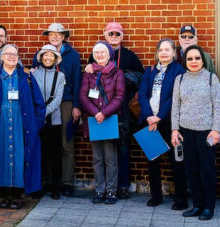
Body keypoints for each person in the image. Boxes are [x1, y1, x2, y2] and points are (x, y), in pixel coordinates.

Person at [0, 44, 46, 209]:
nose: (11, 57)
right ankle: (3, 195)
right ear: (1, 57)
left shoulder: (26, 77)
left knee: (19, 157)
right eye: (8, 54)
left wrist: (35, 125)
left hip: (21, 126)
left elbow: (39, 104)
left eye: (15, 54)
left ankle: (16, 196)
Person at [87, 22, 144, 199]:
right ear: (105, 36)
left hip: (123, 110)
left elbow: (141, 79)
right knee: (104, 151)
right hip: (101, 111)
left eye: (117, 34)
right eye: (110, 34)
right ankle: (105, 188)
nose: (114, 37)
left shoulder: (129, 56)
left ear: (122, 37)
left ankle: (123, 185)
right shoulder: (96, 55)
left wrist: (123, 77)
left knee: (123, 148)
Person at [172, 46, 220, 221]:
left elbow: (218, 106)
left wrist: (216, 129)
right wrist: (174, 129)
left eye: (197, 58)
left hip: (207, 132)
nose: (193, 62)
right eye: (190, 59)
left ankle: (209, 207)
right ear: (185, 61)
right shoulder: (180, 79)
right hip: (186, 131)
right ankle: (197, 205)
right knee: (192, 169)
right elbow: (175, 106)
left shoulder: (211, 78)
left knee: (207, 170)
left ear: (203, 60)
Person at [32, 23, 82, 197]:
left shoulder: (73, 55)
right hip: (44, 104)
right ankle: (47, 180)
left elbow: (77, 81)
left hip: (66, 102)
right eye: (51, 34)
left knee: (65, 142)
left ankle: (66, 182)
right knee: (45, 142)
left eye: (58, 34)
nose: (54, 37)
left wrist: (77, 105)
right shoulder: (41, 55)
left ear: (63, 37)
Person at [138, 39, 186, 208]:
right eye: (161, 50)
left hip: (170, 122)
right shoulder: (150, 71)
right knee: (153, 160)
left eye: (167, 50)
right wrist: (149, 116)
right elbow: (142, 94)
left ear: (174, 52)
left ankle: (181, 199)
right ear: (157, 53)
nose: (164, 53)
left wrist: (160, 116)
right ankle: (156, 196)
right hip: (150, 122)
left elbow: (175, 96)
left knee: (176, 161)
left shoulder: (179, 70)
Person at [79, 41, 125, 204]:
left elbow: (120, 96)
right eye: (96, 52)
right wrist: (96, 113)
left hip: (109, 119)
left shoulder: (117, 72)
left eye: (102, 52)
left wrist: (104, 113)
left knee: (111, 158)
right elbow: (83, 96)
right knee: (97, 158)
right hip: (94, 120)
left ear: (109, 54)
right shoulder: (89, 73)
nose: (99, 55)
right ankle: (99, 190)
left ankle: (111, 191)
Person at [33, 44, 65, 199]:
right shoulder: (34, 74)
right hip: (38, 121)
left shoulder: (60, 77)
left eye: (51, 55)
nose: (48, 58)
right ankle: (41, 185)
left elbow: (58, 100)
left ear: (55, 58)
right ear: (41, 57)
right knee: (40, 153)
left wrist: (43, 112)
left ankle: (55, 187)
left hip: (54, 121)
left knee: (55, 155)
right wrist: (39, 115)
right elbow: (33, 96)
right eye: (45, 55)